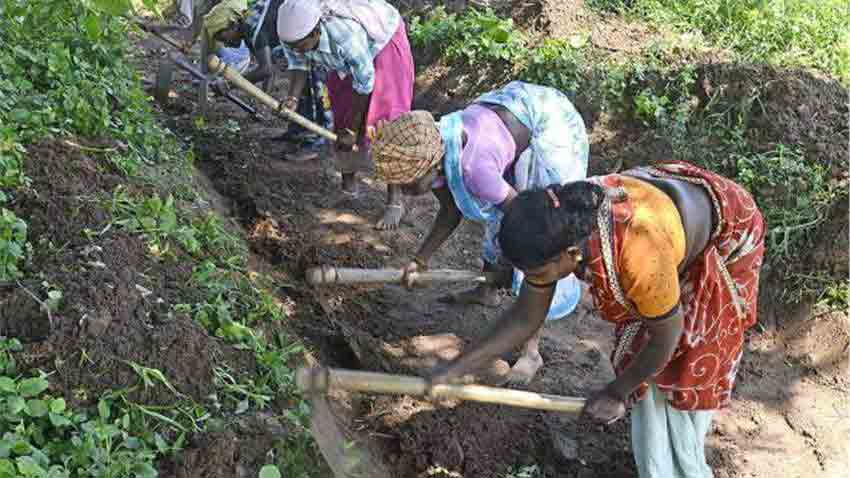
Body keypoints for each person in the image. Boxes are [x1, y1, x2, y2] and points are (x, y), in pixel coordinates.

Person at [428, 160, 766, 478]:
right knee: (641, 357)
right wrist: (456, 368)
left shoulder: (637, 255)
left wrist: (617, 392)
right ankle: (657, 461)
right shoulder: (559, 221)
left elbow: (667, 335)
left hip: (727, 235)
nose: (534, 279)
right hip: (667, 220)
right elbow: (524, 318)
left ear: (571, 255)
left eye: (537, 272)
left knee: (683, 368)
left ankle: (681, 467)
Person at [369, 81, 589, 383]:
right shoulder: (434, 143)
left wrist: (510, 265)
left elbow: (529, 224)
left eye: (408, 184)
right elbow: (450, 210)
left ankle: (531, 349)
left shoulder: (476, 170)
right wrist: (419, 260)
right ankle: (487, 290)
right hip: (513, 112)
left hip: (551, 124)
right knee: (499, 215)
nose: (406, 192)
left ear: (429, 166)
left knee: (538, 242)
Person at [276, 0, 415, 229]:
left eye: (302, 46)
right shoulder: (292, 33)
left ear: (316, 31)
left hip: (382, 43)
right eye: (293, 46)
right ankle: (349, 188)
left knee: (387, 120)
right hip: (344, 58)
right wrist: (292, 98)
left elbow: (364, 82)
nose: (297, 50)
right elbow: (297, 64)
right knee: (341, 112)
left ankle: (394, 201)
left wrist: (352, 129)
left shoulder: (345, 36)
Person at [204, 0, 333, 161]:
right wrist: (264, 99)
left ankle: (316, 144)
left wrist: (229, 84)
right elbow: (268, 66)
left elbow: (266, 69)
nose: (224, 42)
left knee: (316, 88)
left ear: (233, 24)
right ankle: (297, 131)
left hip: (313, 39)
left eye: (221, 35)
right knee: (302, 88)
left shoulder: (252, 28)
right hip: (299, 45)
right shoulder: (248, 23)